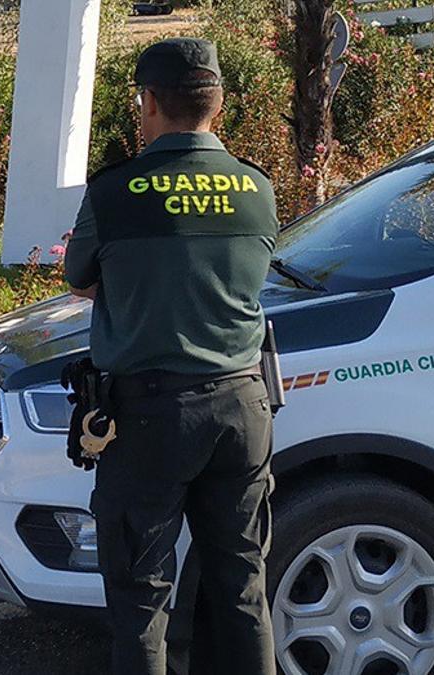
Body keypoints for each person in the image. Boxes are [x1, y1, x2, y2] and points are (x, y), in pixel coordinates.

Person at [64, 37, 278, 675]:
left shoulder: (115, 192)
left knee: (141, 600)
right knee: (242, 590)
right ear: (217, 104)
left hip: (152, 418)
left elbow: (79, 280)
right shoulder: (257, 187)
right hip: (244, 406)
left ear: (148, 102)